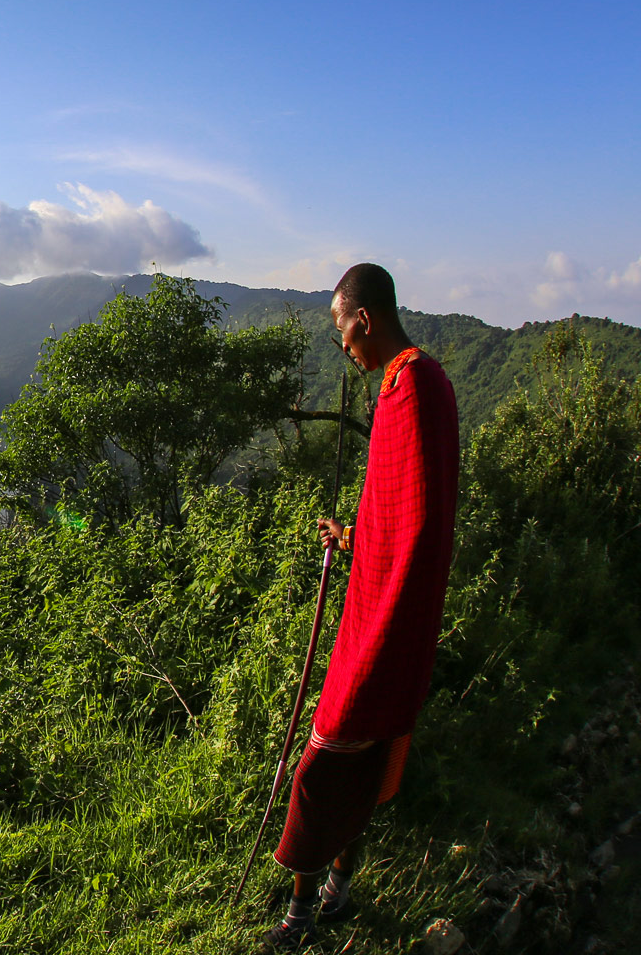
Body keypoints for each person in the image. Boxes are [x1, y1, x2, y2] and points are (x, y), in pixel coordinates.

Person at [263, 263, 460, 950]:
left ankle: (301, 915)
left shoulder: (413, 388)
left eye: (342, 330)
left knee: (322, 766)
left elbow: (419, 524)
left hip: (388, 619)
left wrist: (384, 608)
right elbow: (397, 510)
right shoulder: (413, 382)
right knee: (363, 760)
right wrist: (352, 537)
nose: (343, 345)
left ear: (364, 318)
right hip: (392, 608)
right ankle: (339, 889)